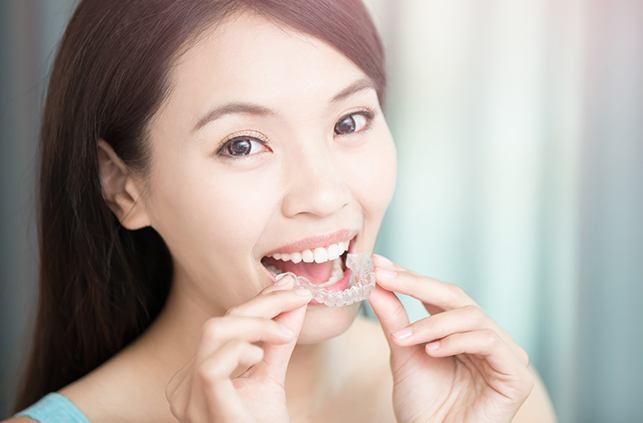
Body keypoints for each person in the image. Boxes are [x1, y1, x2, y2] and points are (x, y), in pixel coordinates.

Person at [7, 0, 557, 422]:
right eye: (242, 145)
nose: (323, 196)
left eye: (349, 123)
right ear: (125, 188)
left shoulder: (488, 395)